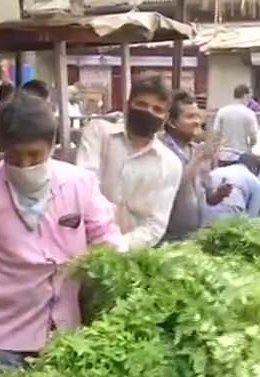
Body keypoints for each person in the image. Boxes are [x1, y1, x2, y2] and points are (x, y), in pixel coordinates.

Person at [0, 92, 123, 371]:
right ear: (2, 149)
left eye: (35, 156)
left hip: (68, 334)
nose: (25, 165)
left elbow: (106, 234)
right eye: (14, 157)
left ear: (52, 146)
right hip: (5, 339)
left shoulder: (79, 184)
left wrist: (105, 261)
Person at [77, 74, 182, 249]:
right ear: (128, 105)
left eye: (157, 109)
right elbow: (85, 185)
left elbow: (155, 225)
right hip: (81, 245)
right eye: (141, 104)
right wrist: (100, 238)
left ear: (164, 118)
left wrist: (117, 247)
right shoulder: (99, 133)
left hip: (128, 258)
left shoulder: (170, 164)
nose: (148, 112)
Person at [162, 90, 232, 241]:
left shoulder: (196, 150)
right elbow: (173, 188)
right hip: (167, 238)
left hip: (194, 237)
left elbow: (210, 198)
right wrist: (196, 160)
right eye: (189, 117)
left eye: (198, 117)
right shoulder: (162, 151)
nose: (196, 122)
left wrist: (220, 192)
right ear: (171, 121)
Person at [202, 153, 260, 226]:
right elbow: (251, 219)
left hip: (202, 215)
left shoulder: (216, 171)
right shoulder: (256, 183)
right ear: (254, 169)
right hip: (228, 221)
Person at [213, 84, 259, 166]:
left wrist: (216, 150)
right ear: (245, 96)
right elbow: (254, 137)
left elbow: (216, 133)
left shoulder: (222, 111)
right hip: (242, 156)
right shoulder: (250, 114)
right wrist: (249, 147)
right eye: (249, 97)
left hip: (224, 155)